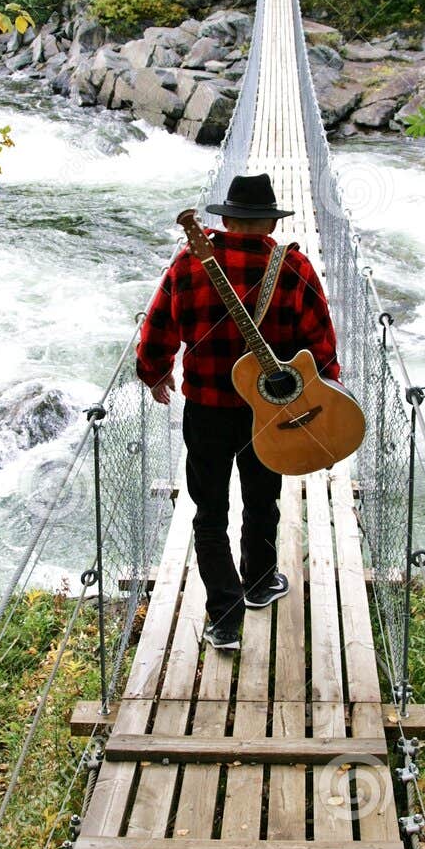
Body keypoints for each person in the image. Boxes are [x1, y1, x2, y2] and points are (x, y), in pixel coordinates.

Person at [135, 172, 341, 651]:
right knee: (262, 498)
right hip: (269, 414)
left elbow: (158, 326)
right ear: (269, 224)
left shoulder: (189, 265)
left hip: (206, 410)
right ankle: (260, 582)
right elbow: (322, 348)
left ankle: (223, 619)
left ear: (225, 219)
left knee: (209, 511)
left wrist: (155, 372)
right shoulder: (294, 268)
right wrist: (328, 404)